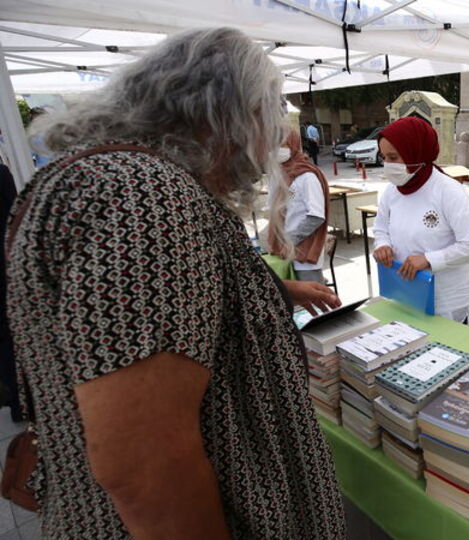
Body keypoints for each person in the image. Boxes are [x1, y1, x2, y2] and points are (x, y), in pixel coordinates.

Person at [6, 28, 345, 538]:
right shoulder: (146, 195)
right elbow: (144, 465)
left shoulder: (119, 180)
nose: (275, 137)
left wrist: (273, 292)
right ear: (225, 114)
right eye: (270, 114)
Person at [372, 116, 469, 325]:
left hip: (446, 301)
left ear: (415, 152)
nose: (387, 165)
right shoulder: (392, 191)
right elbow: (380, 228)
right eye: (384, 157)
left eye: (394, 157)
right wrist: (382, 245)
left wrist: (429, 259)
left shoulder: (448, 191)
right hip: (405, 294)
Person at [267, 128, 331, 284]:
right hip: (280, 252)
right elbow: (273, 210)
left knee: (312, 302)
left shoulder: (307, 176)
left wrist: (290, 241)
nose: (276, 149)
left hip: (303, 254)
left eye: (281, 144)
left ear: (293, 145)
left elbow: (316, 217)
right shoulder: (278, 176)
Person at [0, 163, 21, 422]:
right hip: (5, 264)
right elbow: (16, 214)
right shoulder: (1, 173)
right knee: (10, 332)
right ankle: (20, 400)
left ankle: (12, 397)